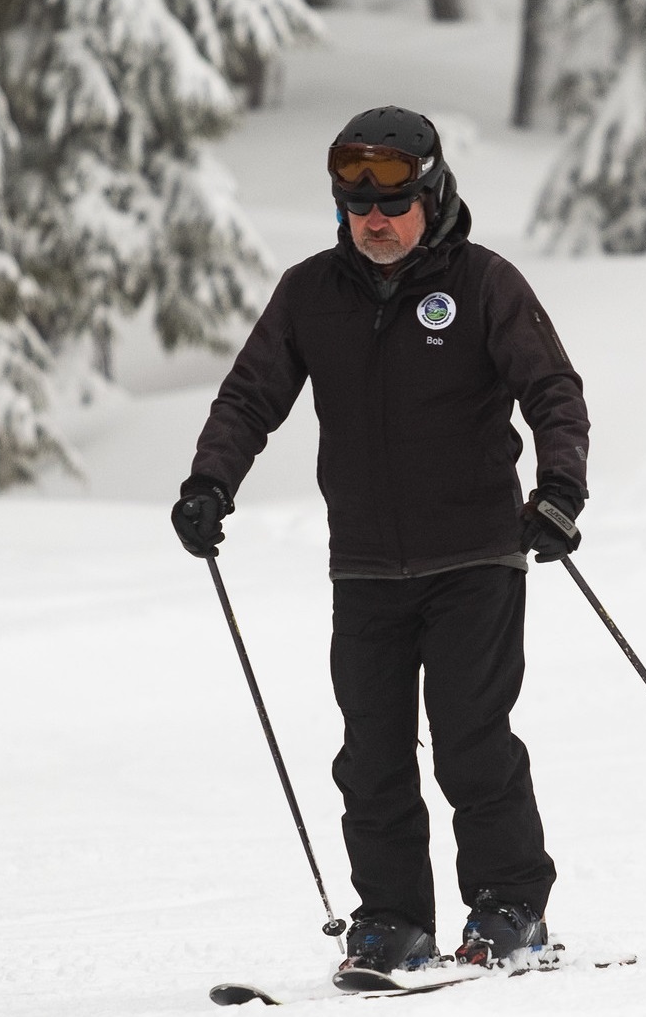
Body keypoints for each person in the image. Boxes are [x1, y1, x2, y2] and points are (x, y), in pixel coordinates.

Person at [171, 106, 589, 981]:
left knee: (473, 739)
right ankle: (394, 923)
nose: (375, 221)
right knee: (371, 756)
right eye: (358, 208)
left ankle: (511, 911)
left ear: (432, 200)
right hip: (364, 565)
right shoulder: (309, 295)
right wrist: (211, 483)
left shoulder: (483, 285)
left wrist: (558, 492)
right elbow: (250, 397)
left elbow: (551, 388)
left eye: (393, 205)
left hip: (477, 553)